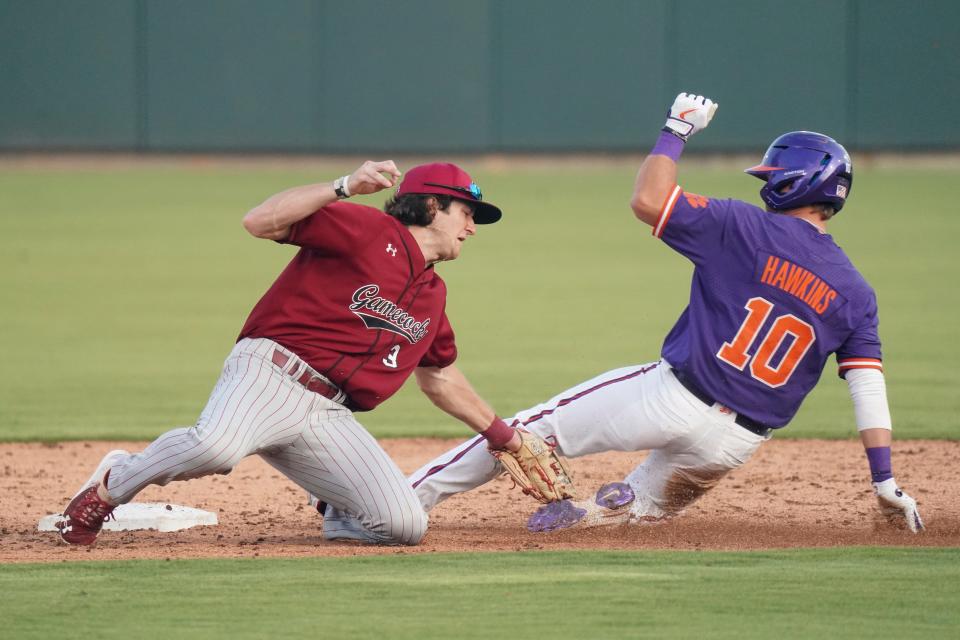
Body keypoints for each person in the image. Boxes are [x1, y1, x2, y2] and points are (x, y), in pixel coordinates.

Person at [408, 93, 924, 534]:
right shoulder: (857, 292)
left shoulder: (744, 226)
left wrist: (677, 128)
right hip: (734, 445)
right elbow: (868, 391)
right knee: (634, 516)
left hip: (670, 399)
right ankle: (611, 509)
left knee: (524, 431)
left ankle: (409, 501)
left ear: (794, 181)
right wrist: (884, 482)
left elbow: (649, 200)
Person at [57, 160, 527, 546]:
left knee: (403, 526)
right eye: (466, 212)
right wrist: (343, 186)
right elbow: (259, 221)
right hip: (270, 373)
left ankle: (335, 503)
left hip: (328, 415)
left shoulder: (432, 292)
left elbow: (440, 376)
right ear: (431, 205)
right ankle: (113, 482)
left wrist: (502, 434)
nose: (472, 227)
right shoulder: (367, 228)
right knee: (217, 448)